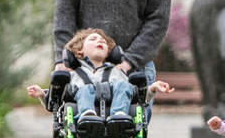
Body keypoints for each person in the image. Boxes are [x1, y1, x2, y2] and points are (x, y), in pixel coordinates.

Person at [27, 28, 175, 119]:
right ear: (80, 50)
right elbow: (57, 103)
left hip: (116, 115)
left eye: (103, 41)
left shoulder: (116, 73)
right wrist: (42, 94)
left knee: (124, 86)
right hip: (82, 119)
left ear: (108, 52)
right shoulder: (74, 75)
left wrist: (152, 88)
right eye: (93, 39)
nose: (100, 41)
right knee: (84, 89)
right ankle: (88, 114)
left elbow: (136, 98)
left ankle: (119, 115)